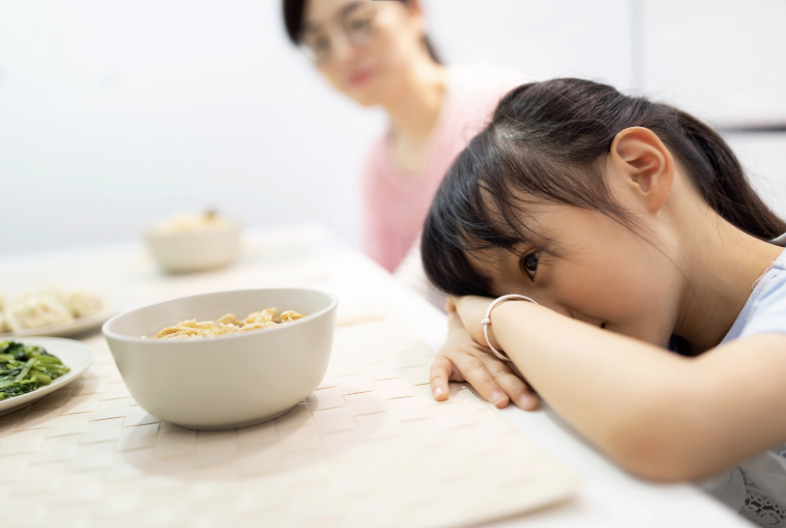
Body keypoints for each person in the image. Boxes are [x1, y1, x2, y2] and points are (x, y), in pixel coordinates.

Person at [421, 78, 786, 526]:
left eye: (532, 263)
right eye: (513, 297)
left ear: (641, 169)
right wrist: (469, 326)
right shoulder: (655, 336)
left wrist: (498, 316)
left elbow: (676, 426)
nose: (544, 320)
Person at [282, 0, 526, 305]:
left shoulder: (497, 105)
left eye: (358, 22)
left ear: (414, 11)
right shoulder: (377, 168)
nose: (342, 53)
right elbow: (386, 286)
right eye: (318, 42)